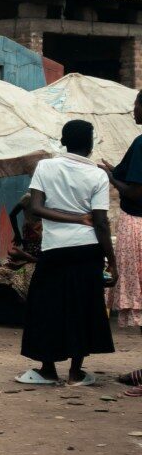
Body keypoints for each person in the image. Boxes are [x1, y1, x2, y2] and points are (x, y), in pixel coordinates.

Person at [17, 120, 115, 388]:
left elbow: (36, 207)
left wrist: (69, 218)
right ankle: (75, 372)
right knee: (83, 307)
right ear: (91, 144)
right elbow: (101, 222)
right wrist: (112, 262)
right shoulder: (97, 175)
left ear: (63, 141)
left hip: (54, 249)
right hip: (87, 249)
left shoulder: (45, 167)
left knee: (46, 306)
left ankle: (47, 369)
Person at [102, 90, 142, 334]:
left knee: (137, 293)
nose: (133, 110)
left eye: (136, 105)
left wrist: (111, 179)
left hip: (136, 223)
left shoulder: (140, 142)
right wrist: (115, 170)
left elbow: (136, 192)